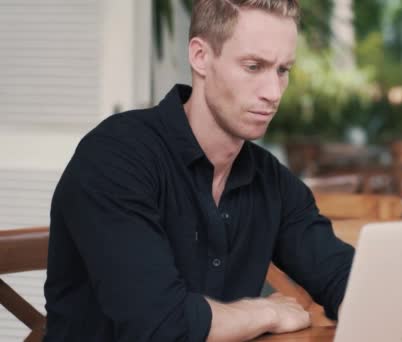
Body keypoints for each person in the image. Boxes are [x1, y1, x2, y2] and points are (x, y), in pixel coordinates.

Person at [43, 0, 354, 341]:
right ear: (200, 56)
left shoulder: (271, 180)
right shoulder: (114, 157)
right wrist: (265, 311)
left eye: (282, 70)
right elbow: (159, 325)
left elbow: (346, 282)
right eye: (253, 66)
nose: (273, 93)